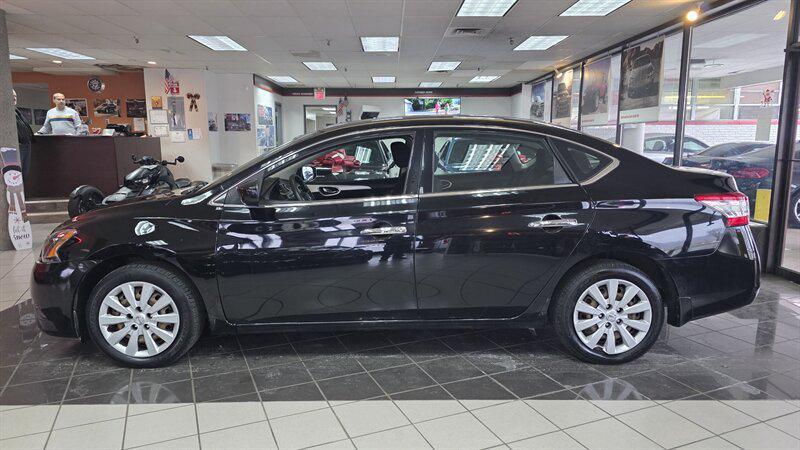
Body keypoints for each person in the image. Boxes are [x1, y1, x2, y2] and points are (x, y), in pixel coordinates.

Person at [12, 89, 34, 179]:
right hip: (18, 145)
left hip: (26, 144)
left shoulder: (16, 110)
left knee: (24, 172)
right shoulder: (5, 112)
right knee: (16, 173)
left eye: (15, 96)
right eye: (12, 96)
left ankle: (23, 188)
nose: (14, 98)